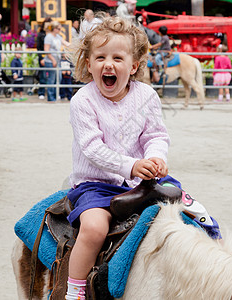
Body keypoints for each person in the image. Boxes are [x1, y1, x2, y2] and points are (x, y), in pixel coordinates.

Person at [65, 16, 220, 300]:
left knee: (193, 209)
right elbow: (92, 149)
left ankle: (216, 257)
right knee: (94, 228)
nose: (108, 64)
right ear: (89, 64)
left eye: (117, 57)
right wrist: (132, 165)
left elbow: (156, 135)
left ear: (133, 65)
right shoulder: (83, 102)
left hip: (141, 180)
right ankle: (74, 290)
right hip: (96, 184)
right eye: (99, 57)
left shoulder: (147, 96)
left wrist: (155, 158)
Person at [43, 21, 69, 102]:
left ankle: (55, 95)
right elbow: (46, 50)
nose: (60, 30)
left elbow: (65, 43)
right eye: (58, 29)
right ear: (54, 29)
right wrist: (53, 60)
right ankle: (51, 97)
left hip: (57, 60)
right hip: (50, 61)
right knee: (52, 79)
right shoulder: (48, 37)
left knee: (58, 78)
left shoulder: (58, 36)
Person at [36, 18, 52, 100]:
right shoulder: (41, 34)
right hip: (43, 56)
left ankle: (51, 93)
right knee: (42, 75)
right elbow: (38, 48)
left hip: (51, 57)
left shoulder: (53, 35)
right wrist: (41, 58)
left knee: (52, 76)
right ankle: (41, 92)